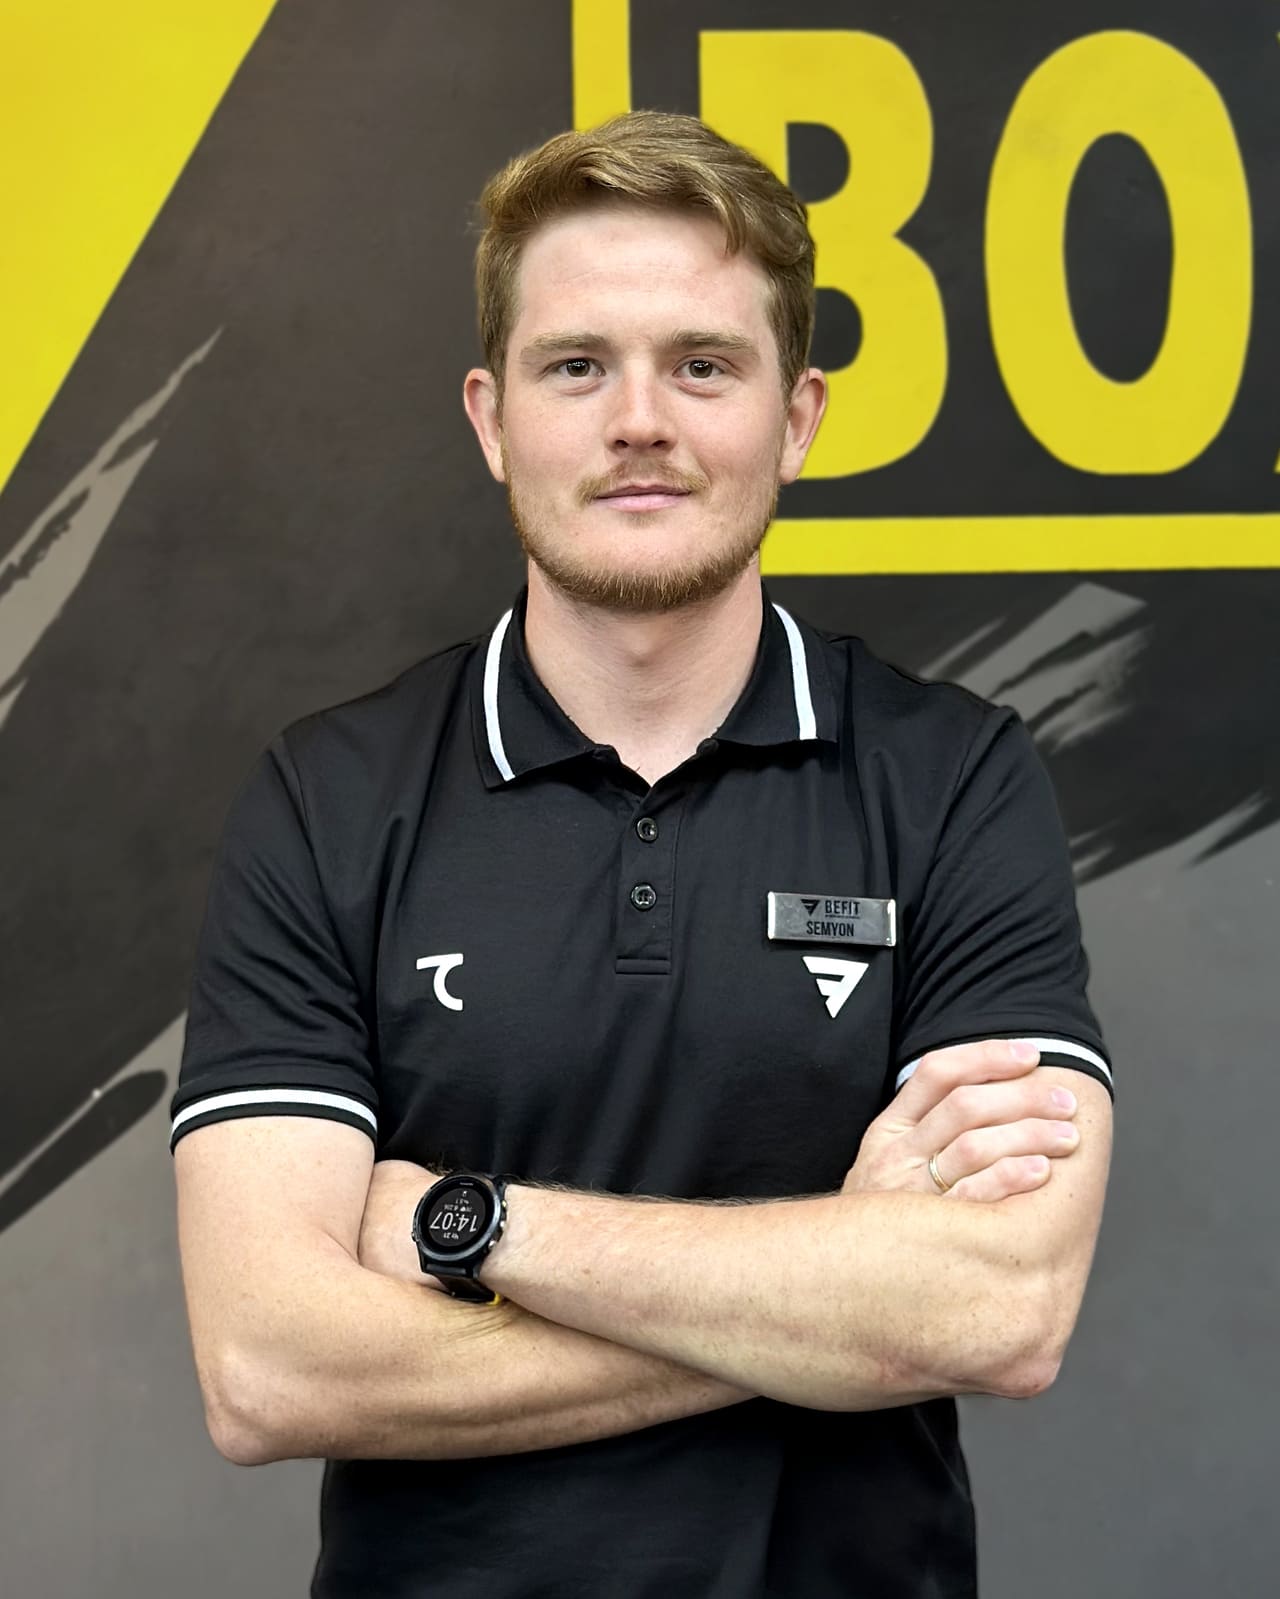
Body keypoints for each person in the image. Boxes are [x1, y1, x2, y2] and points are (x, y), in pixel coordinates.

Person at [171, 111, 1113, 1598]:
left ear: (797, 417)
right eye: (575, 365)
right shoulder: (328, 798)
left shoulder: (954, 779)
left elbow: (1002, 1313)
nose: (639, 421)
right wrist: (842, 1290)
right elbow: (269, 1368)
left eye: (703, 364)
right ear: (491, 418)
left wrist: (469, 1225)